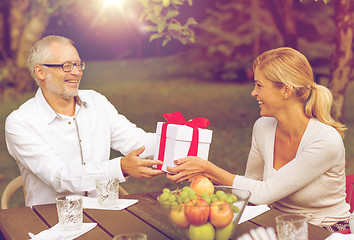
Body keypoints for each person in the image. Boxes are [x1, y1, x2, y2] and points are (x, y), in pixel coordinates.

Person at [166, 47, 351, 231]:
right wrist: (202, 175)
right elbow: (250, 186)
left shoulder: (325, 140)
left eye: (259, 85)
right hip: (277, 223)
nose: (253, 93)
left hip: (326, 229)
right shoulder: (263, 127)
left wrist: (208, 168)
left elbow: (264, 193)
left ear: (286, 90)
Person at [5, 35, 163, 206]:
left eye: (78, 64)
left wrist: (188, 136)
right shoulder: (20, 122)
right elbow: (59, 177)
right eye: (66, 66)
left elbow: (137, 142)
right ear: (40, 72)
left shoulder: (97, 102)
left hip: (106, 214)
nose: (76, 72)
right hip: (51, 223)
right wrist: (121, 167)